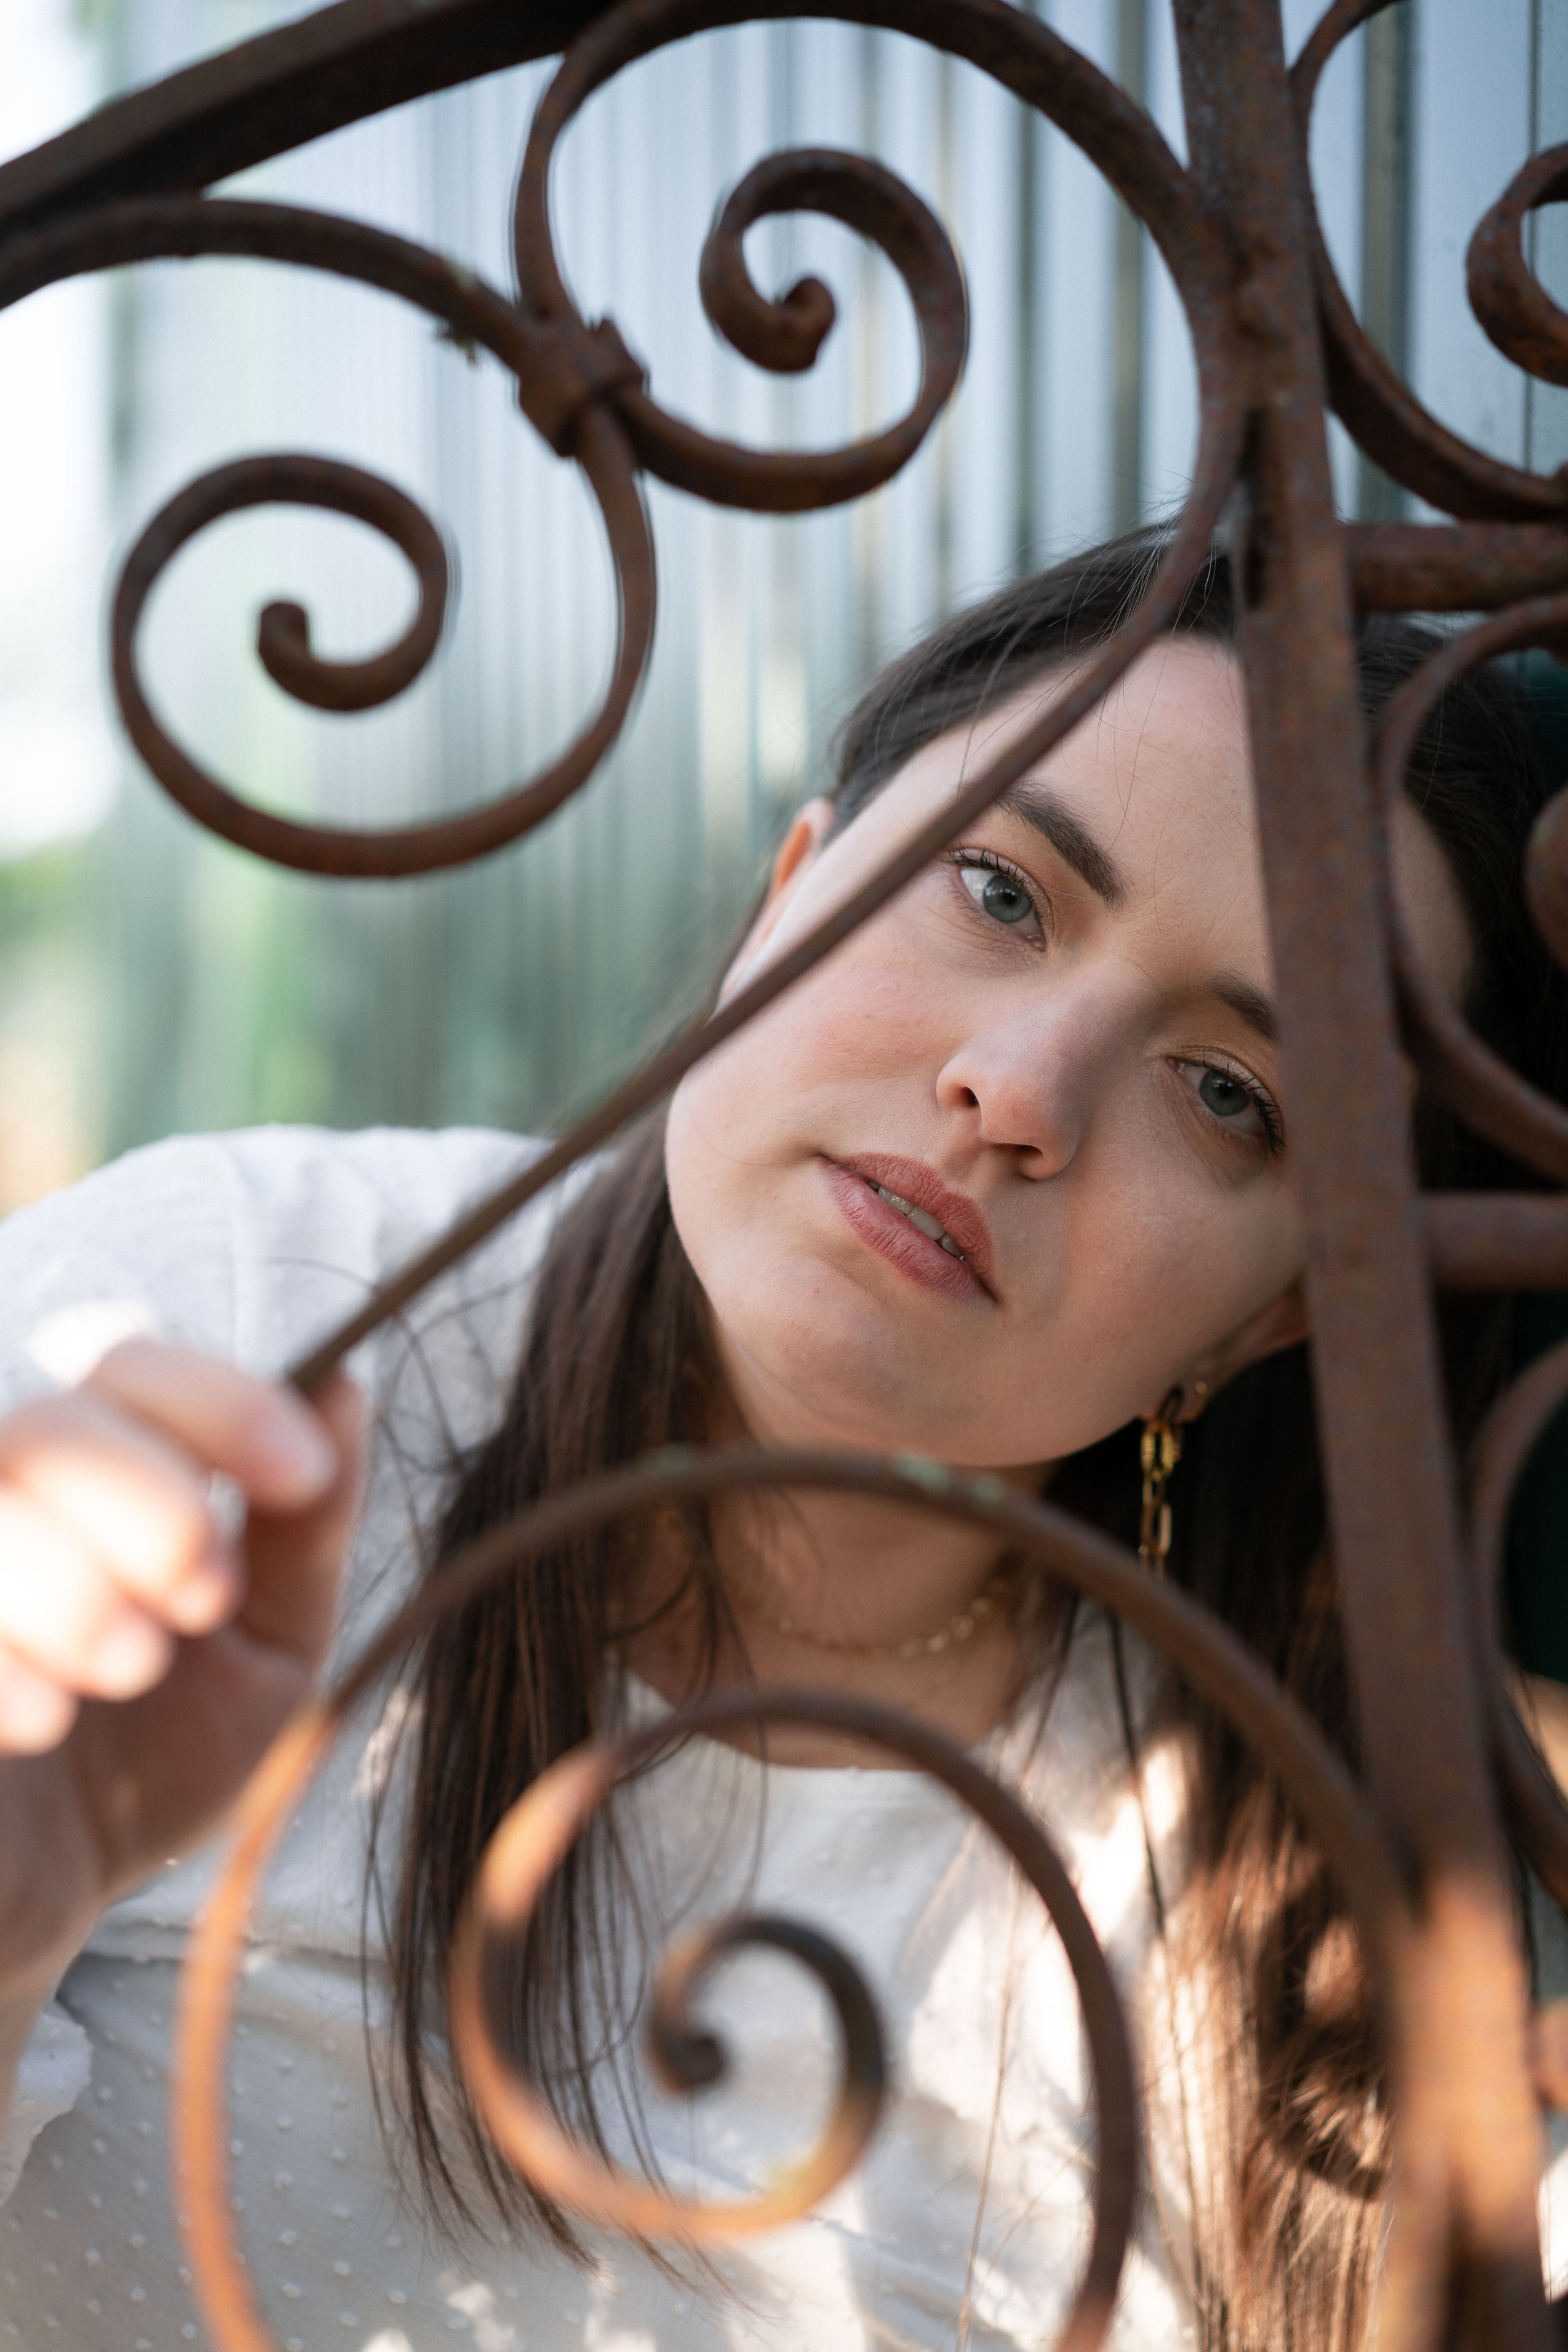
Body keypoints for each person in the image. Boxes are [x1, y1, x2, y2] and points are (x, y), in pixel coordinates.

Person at [0, 526, 1563, 2352]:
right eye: (997, 891)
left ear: (1276, 1310)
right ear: (792, 890)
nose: (1017, 1093)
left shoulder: (1276, 1905)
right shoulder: (248, 1315)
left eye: (1229, 1094)